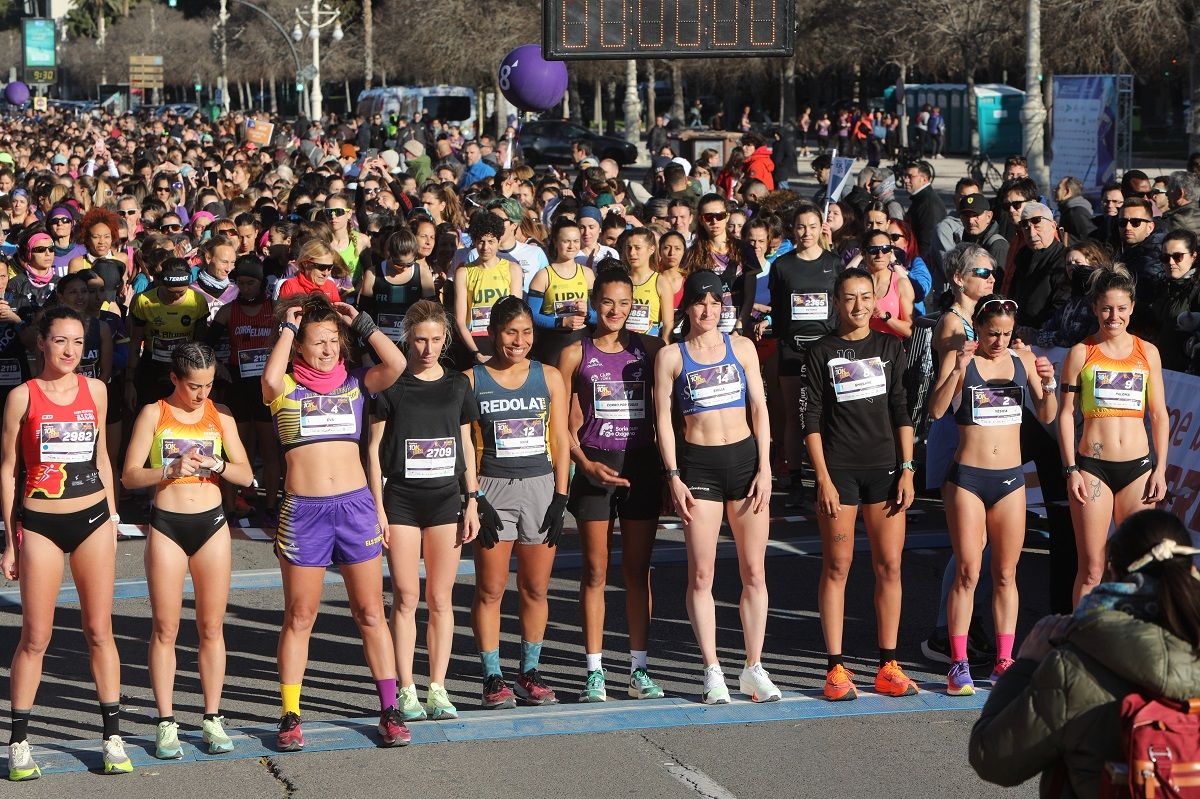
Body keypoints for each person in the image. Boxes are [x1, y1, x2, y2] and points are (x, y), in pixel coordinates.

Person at [262, 292, 411, 750]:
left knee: (370, 613)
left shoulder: (357, 383)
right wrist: (288, 327)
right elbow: (268, 376)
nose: (327, 349)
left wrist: (362, 323)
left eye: (333, 341)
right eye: (317, 342)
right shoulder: (283, 387)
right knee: (300, 615)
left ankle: (389, 709)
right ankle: (290, 714)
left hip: (355, 507)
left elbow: (398, 364)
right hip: (304, 512)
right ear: (299, 347)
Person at [969, 509, 1200, 799]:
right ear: (1190, 568)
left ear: (1112, 571)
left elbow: (991, 758)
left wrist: (1026, 666)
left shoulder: (1073, 665)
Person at [1, 306, 128, 779]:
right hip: (40, 524)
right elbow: (8, 470)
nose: (71, 351)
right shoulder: (21, 397)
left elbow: (102, 456)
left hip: (93, 517)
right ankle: (19, 742)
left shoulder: (95, 389)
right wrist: (10, 539)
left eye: (78, 342)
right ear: (41, 343)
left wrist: (113, 516)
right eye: (61, 341)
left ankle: (112, 735)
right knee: (36, 636)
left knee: (99, 630)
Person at [120, 343, 252, 759]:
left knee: (212, 628)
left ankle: (212, 717)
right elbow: (128, 476)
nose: (201, 394)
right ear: (175, 379)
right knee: (166, 628)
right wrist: (169, 470)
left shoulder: (221, 414)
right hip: (168, 525)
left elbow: (247, 475)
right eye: (194, 385)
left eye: (209, 384)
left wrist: (218, 466)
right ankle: (166, 721)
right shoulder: (153, 413)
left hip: (211, 525)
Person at [653, 270, 779, 704]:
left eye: (715, 303)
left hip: (745, 464)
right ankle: (712, 669)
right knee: (702, 573)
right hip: (699, 468)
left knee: (754, 571)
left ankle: (753, 667)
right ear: (686, 306)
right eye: (699, 303)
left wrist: (765, 467)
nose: (708, 311)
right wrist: (673, 474)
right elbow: (664, 424)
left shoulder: (741, 347)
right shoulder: (671, 356)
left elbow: (761, 408)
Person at [928, 296, 1057, 696]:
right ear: (977, 330)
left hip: (1010, 479)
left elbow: (1048, 414)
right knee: (968, 571)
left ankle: (1004, 659)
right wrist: (959, 370)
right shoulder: (961, 357)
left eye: (1005, 333)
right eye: (990, 334)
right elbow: (935, 411)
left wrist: (1048, 381)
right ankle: (958, 662)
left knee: (1005, 573)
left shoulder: (1020, 360)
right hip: (968, 477)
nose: (999, 341)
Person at [803, 267, 918, 702]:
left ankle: (888, 664)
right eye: (849, 298)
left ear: (875, 300)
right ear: (836, 302)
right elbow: (810, 420)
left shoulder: (890, 346)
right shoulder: (821, 352)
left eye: (865, 297)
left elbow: (901, 409)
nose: (858, 306)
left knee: (889, 566)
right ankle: (835, 667)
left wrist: (907, 467)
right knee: (837, 566)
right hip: (839, 474)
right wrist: (823, 479)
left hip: (886, 472)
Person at [367, 300, 481, 722]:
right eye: (420, 339)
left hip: (447, 499)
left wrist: (473, 499)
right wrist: (376, 506)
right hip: (401, 501)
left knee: (439, 598)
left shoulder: (457, 385)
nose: (428, 348)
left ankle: (438, 687)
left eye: (436, 340)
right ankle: (407, 689)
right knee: (406, 597)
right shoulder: (392, 385)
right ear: (407, 338)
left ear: (446, 339)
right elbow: (374, 449)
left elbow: (466, 443)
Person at [559, 269, 665, 702]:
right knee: (596, 571)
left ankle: (639, 669)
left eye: (625, 303)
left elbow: (673, 411)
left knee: (638, 571)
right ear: (593, 302)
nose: (616, 311)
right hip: (595, 467)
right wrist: (584, 464)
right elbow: (560, 424)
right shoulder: (575, 353)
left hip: (640, 464)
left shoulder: (652, 349)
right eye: (608, 302)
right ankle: (595, 672)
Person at [468, 296, 571, 709]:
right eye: (511, 331)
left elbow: (562, 439)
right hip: (492, 489)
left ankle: (529, 673)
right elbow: (462, 445)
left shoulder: (548, 376)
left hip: (540, 488)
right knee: (490, 589)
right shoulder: (472, 378)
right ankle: (492, 678)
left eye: (526, 332)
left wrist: (561, 496)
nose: (519, 340)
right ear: (493, 332)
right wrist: (474, 496)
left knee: (535, 588)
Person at [1057, 265, 1169, 605]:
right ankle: (1082, 646)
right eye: (1106, 308)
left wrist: (1161, 469)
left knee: (1137, 567)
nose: (1113, 316)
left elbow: (1158, 414)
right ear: (1094, 309)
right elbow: (1065, 414)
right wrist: (1070, 469)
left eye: (1121, 308)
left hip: (1139, 469)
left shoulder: (1147, 352)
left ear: (1132, 308)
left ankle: (1128, 645)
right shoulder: (1081, 352)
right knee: (1092, 569)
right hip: (1093, 469)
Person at [769, 204, 840, 508]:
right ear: (792, 230)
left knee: (828, 414)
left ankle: (828, 475)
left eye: (812, 226)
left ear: (820, 227)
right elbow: (779, 311)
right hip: (792, 350)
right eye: (801, 227)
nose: (806, 233)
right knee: (796, 414)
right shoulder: (782, 265)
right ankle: (796, 478)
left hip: (828, 351)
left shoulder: (834, 263)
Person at [208, 257, 281, 519]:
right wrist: (217, 366)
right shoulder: (228, 311)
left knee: (270, 449)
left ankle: (271, 505)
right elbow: (204, 344)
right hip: (239, 386)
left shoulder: (274, 309)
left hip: (266, 388)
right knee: (232, 449)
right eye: (240, 283)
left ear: (261, 283)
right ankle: (229, 504)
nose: (245, 288)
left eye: (250, 283)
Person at [127, 259, 209, 412]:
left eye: (182, 292)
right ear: (161, 283)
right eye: (171, 292)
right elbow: (134, 343)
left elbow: (201, 344)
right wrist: (129, 381)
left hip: (184, 369)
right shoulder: (145, 301)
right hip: (152, 368)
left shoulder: (197, 302)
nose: (177, 297)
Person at [452, 212, 523, 368]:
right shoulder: (463, 272)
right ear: (474, 242)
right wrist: (475, 353)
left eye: (491, 241)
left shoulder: (513, 269)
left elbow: (517, 314)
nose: (485, 247)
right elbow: (460, 321)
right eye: (481, 241)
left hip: (504, 339)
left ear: (498, 241)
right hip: (475, 341)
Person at [527, 218, 595, 367]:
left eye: (576, 241)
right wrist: (561, 322)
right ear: (556, 242)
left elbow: (597, 316)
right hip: (553, 343)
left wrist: (587, 313)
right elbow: (531, 316)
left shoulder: (587, 274)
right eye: (566, 241)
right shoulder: (543, 276)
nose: (572, 246)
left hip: (581, 339)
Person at [360, 227, 438, 344]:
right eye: (399, 263)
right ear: (389, 254)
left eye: (410, 263)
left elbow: (433, 314)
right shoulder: (373, 274)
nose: (404, 268)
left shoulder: (422, 273)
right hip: (379, 343)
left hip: (412, 343)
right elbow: (363, 314)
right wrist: (365, 352)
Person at [1153, 229, 1200, 371]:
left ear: (1194, 256)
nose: (1171, 262)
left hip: (1188, 375)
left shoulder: (1196, 288)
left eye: (1177, 256)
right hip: (1163, 369)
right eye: (1165, 257)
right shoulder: (1162, 285)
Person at [624, 227, 675, 341]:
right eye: (629, 247)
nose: (632, 253)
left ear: (651, 249)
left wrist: (664, 348)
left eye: (638, 248)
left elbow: (668, 324)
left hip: (649, 346)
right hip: (623, 347)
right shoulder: (621, 280)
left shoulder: (660, 282)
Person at [862, 230, 914, 339]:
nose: (880, 255)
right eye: (874, 250)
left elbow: (910, 330)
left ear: (891, 253)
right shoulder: (857, 284)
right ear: (864, 253)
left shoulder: (901, 283)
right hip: (863, 350)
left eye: (885, 249)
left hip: (892, 351)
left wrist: (884, 316)